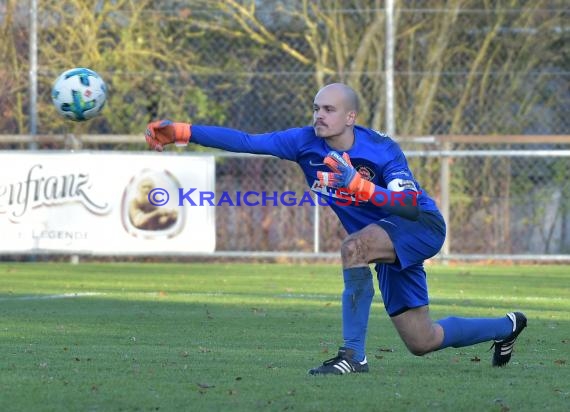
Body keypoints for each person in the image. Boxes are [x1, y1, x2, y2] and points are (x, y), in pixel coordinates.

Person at [144, 83, 527, 375]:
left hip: (419, 227)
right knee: (421, 340)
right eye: (315, 108)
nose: (319, 115)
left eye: (328, 109)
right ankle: (506, 326)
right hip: (384, 239)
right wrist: (181, 131)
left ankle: (352, 357)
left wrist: (360, 186)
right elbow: (247, 141)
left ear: (350, 117)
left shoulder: (382, 150)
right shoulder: (304, 142)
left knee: (353, 248)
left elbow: (408, 204)